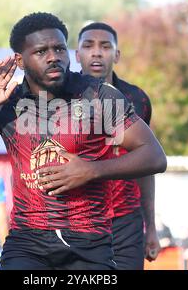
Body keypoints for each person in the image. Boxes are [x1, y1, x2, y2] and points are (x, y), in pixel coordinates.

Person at [0, 12, 167, 270]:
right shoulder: (8, 104)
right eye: (41, 51)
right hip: (27, 243)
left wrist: (92, 170)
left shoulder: (97, 95)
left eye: (59, 49)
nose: (53, 57)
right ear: (20, 60)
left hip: (88, 243)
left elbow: (154, 156)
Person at [76, 22, 160, 269]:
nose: (97, 52)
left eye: (105, 46)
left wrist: (151, 227)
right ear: (77, 54)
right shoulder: (61, 99)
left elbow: (146, 165)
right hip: (79, 220)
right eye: (88, 46)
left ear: (117, 55)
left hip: (126, 223)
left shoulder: (137, 99)